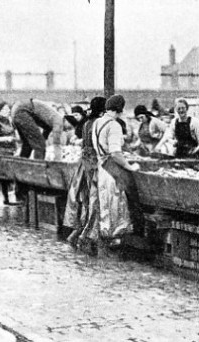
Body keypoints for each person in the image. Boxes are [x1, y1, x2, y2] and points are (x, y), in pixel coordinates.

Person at [89, 94, 143, 254]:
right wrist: (129, 166)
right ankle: (130, 235)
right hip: (112, 170)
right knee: (122, 201)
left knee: (106, 204)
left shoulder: (97, 123)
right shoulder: (114, 125)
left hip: (101, 167)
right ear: (119, 109)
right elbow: (115, 153)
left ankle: (105, 239)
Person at [64, 96, 106, 249]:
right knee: (96, 201)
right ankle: (87, 235)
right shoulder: (98, 124)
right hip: (95, 165)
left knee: (86, 201)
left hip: (84, 165)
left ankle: (79, 232)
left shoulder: (87, 123)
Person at [0, 101, 20, 205]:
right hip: (1, 151)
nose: (7, 111)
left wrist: (16, 139)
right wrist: (6, 138)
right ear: (0, 110)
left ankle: (15, 196)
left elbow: (17, 135)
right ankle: (6, 198)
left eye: (8, 109)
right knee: (4, 175)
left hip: (12, 151)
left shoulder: (11, 122)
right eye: (5, 109)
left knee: (13, 174)